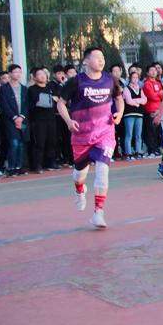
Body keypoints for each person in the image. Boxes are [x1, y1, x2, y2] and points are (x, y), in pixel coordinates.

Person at [56, 47, 124, 228]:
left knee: (103, 170)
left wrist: (119, 113)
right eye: (96, 57)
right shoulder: (76, 82)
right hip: (82, 136)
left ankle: (98, 213)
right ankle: (80, 190)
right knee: (80, 174)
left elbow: (119, 98)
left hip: (105, 133)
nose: (101, 61)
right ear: (86, 61)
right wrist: (69, 121)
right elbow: (61, 103)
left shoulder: (110, 79)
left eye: (102, 57)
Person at [0, 65, 29, 176]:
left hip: (22, 120)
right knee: (14, 143)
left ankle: (18, 166)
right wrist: (15, 117)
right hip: (10, 120)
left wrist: (22, 117)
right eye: (15, 72)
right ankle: (11, 167)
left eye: (19, 72)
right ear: (10, 74)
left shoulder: (24, 89)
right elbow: (4, 105)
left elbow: (26, 105)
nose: (18, 74)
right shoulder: (3, 89)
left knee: (21, 144)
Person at [27, 67, 59, 172]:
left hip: (51, 119)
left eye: (44, 74)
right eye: (39, 74)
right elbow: (38, 103)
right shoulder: (32, 89)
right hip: (39, 120)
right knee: (39, 142)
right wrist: (50, 98)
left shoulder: (50, 88)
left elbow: (58, 100)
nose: (42, 76)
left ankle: (51, 162)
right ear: (34, 77)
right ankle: (37, 164)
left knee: (52, 141)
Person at [121, 68, 146, 160]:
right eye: (133, 77)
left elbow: (145, 100)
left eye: (136, 78)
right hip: (129, 114)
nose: (135, 79)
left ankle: (138, 150)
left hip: (139, 114)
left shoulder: (140, 89)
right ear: (130, 79)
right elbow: (128, 101)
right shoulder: (126, 89)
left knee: (138, 134)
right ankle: (128, 152)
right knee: (129, 134)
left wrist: (136, 101)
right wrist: (137, 102)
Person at [142, 64, 163, 156]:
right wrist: (159, 93)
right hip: (150, 110)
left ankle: (158, 148)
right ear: (147, 73)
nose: (154, 72)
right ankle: (151, 150)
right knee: (151, 131)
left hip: (159, 110)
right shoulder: (147, 83)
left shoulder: (158, 83)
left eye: (155, 70)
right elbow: (151, 96)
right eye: (151, 70)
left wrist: (158, 94)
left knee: (159, 131)